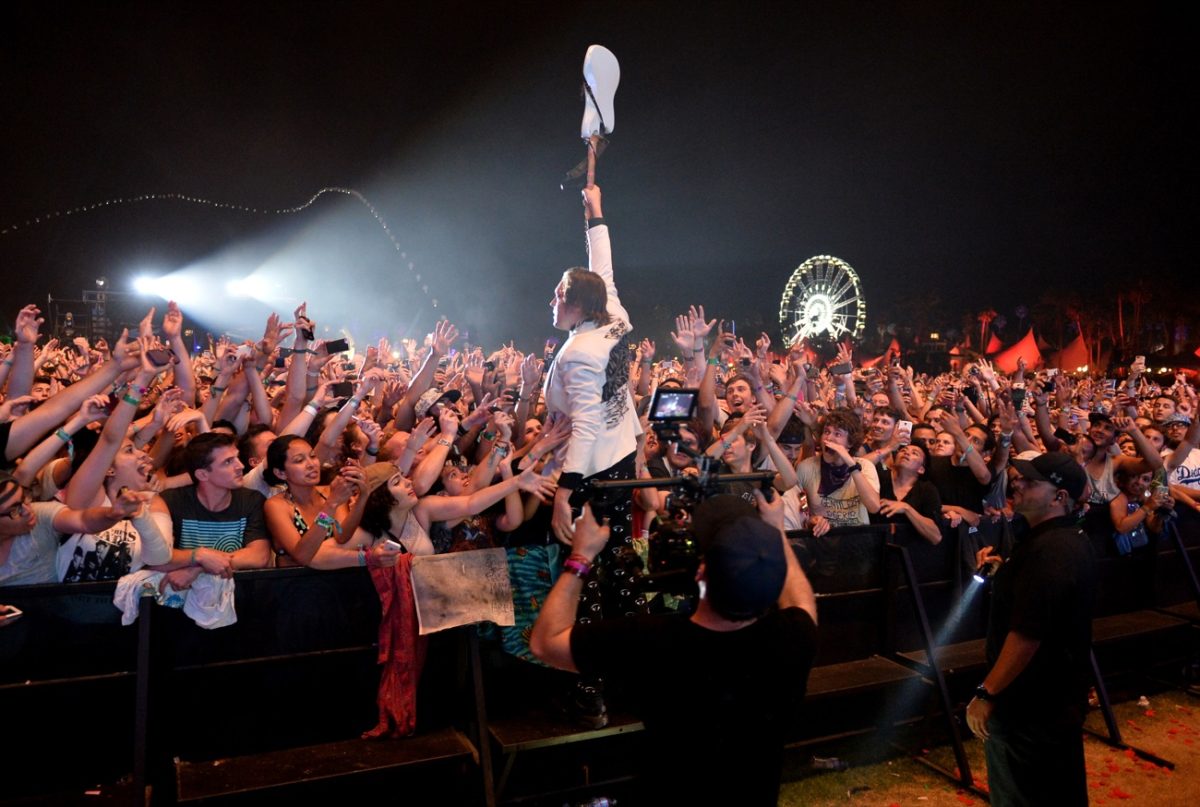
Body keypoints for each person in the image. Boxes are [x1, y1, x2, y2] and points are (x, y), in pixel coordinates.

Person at [530, 492, 818, 805]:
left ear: (700, 573)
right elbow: (801, 598)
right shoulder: (792, 639)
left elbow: (546, 643)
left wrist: (581, 557)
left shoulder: (651, 641)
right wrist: (777, 533)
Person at [966, 452, 1096, 806]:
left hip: (1030, 709)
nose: (1017, 483)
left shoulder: (1051, 550)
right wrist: (1005, 574)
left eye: (1031, 481)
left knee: (1023, 793)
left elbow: (1028, 634)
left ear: (1059, 497)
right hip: (1052, 705)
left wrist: (987, 693)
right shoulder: (1056, 539)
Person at [150, 432, 271, 589]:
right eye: (228, 462)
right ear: (202, 474)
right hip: (183, 594)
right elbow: (156, 558)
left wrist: (199, 568)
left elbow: (259, 556)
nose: (240, 466)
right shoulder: (171, 501)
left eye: (237, 457)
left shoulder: (252, 500)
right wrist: (199, 556)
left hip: (235, 594)